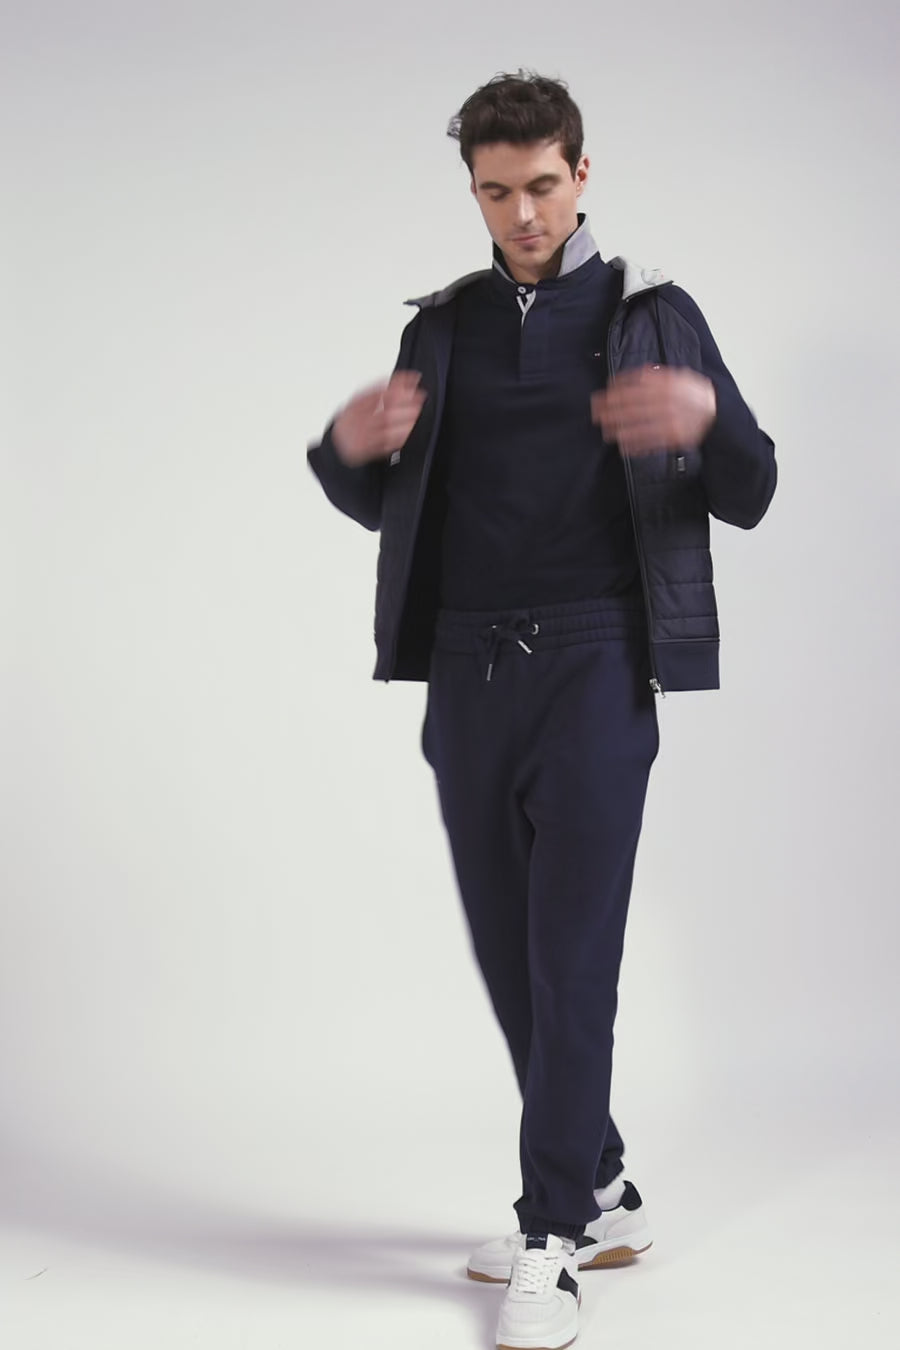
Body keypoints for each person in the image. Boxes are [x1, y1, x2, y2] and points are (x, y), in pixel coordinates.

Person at [307, 71, 776, 1350]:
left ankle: (552, 1235)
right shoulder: (444, 328)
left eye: (543, 186)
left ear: (583, 172)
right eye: (495, 192)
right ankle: (605, 1187)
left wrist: (704, 418)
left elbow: (752, 488)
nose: (522, 214)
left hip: (595, 663)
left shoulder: (653, 315)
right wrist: (346, 450)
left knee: (572, 959)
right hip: (466, 670)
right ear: (472, 189)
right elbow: (392, 506)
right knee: (513, 957)